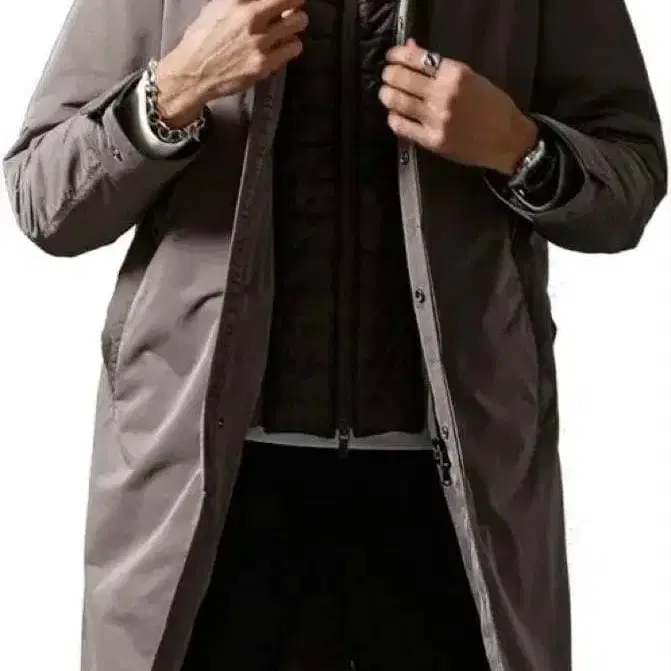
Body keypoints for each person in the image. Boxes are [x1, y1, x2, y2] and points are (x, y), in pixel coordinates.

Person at [3, 0, 667, 669]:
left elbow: (630, 183)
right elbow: (45, 199)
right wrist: (174, 90)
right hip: (204, 490)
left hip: (451, 497)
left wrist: (518, 148)